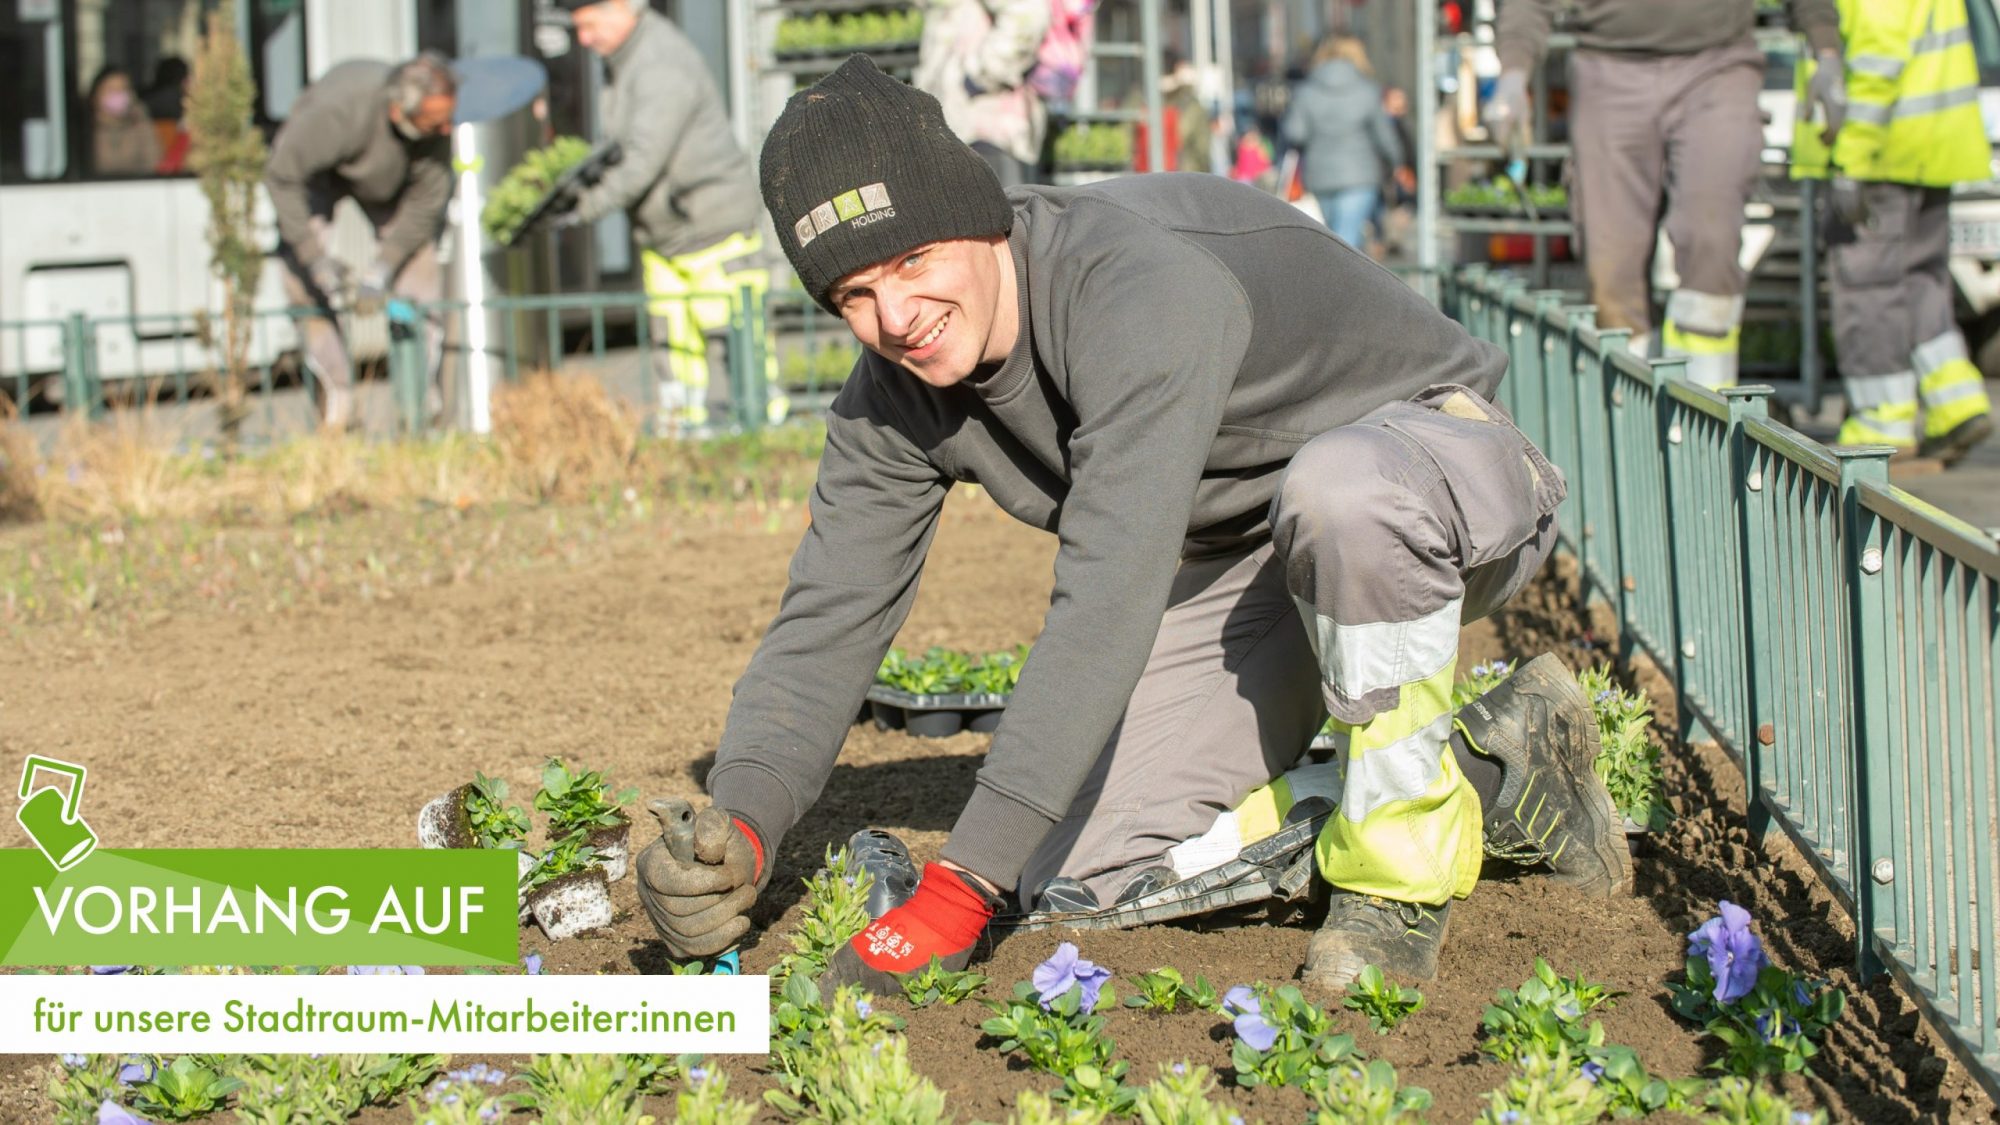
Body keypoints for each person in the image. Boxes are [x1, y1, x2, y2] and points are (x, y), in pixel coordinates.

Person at [634, 57, 1630, 993]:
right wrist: (747, 822)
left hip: (1436, 482)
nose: (896, 316)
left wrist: (958, 886)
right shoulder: (891, 397)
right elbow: (826, 622)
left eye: (910, 261)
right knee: (1075, 877)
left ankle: (1394, 878)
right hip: (1247, 562)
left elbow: (1106, 596)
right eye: (854, 296)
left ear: (977, 217)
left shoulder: (1134, 289)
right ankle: (1496, 768)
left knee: (1340, 491)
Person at [1487, 0, 1847, 390]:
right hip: (1608, 65)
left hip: (1718, 63)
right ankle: (1631, 410)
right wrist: (1513, 72)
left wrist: (1826, 50)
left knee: (1711, 237)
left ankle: (1707, 415)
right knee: (1611, 265)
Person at [1792, 0, 1994, 463]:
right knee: (1920, 277)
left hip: (1885, 155)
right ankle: (1956, 403)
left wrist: (1852, 162)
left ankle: (1882, 419)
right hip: (1933, 148)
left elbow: (1876, 66)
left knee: (1868, 285)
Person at [555, 0, 766, 432]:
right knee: (674, 344)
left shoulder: (659, 62)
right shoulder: (624, 59)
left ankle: (758, 429)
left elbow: (641, 163)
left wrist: (582, 208)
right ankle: (683, 431)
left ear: (620, 8)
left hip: (710, 227)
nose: (583, 39)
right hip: (664, 233)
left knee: (733, 335)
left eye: (589, 25)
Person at [266, 52, 456, 430]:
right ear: (398, 113)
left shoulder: (434, 133)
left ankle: (420, 406)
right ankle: (338, 405)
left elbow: (424, 205)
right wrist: (314, 257)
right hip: (315, 178)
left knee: (419, 271)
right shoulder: (337, 114)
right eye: (434, 122)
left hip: (391, 183)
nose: (448, 130)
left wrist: (383, 267)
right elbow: (283, 177)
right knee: (301, 279)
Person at [1282, 36, 1404, 252]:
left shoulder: (1306, 92)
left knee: (1335, 237)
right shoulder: (1368, 91)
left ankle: (1340, 281)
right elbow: (1384, 136)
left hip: (1320, 176)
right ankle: (1345, 283)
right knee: (1346, 239)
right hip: (1360, 176)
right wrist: (1397, 161)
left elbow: (1295, 133)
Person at [915, 0, 1051, 188]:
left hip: (990, 126)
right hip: (963, 123)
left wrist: (982, 76)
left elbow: (1027, 15)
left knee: (1001, 210)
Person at [89, 68, 161, 177]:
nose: (118, 95)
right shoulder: (85, 129)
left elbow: (154, 163)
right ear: (96, 95)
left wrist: (141, 118)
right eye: (111, 89)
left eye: (123, 89)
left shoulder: (139, 123)